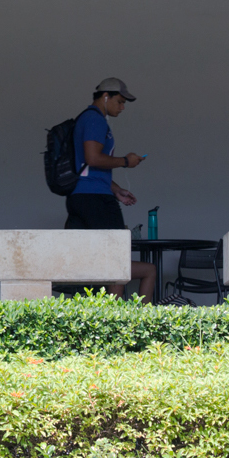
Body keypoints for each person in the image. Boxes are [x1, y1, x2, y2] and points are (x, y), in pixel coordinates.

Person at [64, 78, 155, 304]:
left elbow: (87, 168)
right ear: (105, 96)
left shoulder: (85, 119)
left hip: (82, 196)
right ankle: (114, 321)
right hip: (95, 200)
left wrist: (115, 189)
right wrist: (126, 161)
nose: (122, 107)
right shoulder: (95, 120)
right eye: (120, 101)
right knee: (116, 259)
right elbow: (93, 158)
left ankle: (103, 316)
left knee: (99, 260)